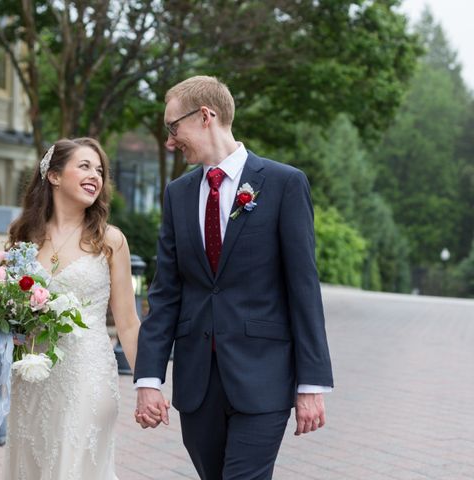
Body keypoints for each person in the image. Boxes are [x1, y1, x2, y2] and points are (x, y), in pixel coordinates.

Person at [134, 76, 334, 480]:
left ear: (206, 116)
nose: (170, 141)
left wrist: (312, 383)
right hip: (197, 385)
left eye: (173, 127)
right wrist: (148, 379)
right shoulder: (178, 193)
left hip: (263, 377)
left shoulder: (283, 183)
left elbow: (303, 288)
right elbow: (167, 292)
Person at [2, 137, 140, 479]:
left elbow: (128, 323)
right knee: (34, 462)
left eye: (99, 169)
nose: (95, 174)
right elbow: (10, 308)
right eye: (84, 166)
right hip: (34, 374)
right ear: (54, 176)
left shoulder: (110, 240)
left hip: (87, 372)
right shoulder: (23, 237)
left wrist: (146, 384)